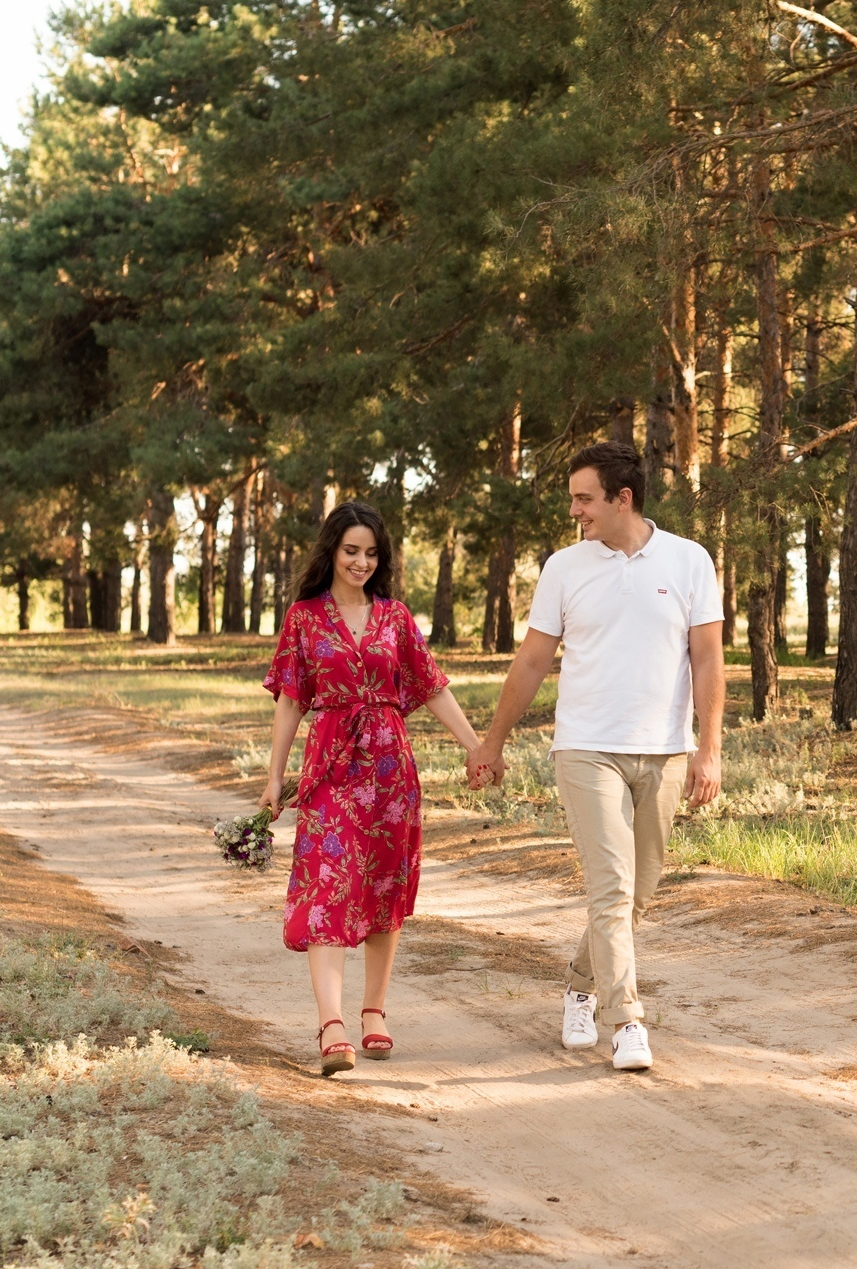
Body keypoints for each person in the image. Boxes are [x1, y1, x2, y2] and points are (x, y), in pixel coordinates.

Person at [465, 440, 723, 1072]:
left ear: (621, 499)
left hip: (663, 750)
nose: (575, 510)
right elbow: (531, 661)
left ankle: (580, 985)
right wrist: (491, 741)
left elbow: (709, 658)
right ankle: (625, 1020)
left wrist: (709, 749)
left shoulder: (689, 561)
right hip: (585, 749)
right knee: (610, 890)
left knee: (637, 896)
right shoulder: (565, 568)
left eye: (584, 498)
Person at [262, 501, 483, 1075]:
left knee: (384, 886)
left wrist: (475, 746)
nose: (360, 562)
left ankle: (374, 1010)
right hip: (331, 765)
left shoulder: (396, 617)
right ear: (331, 552)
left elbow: (432, 688)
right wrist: (274, 775)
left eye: (370, 553)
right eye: (350, 551)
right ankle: (331, 1024)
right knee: (328, 884)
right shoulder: (304, 618)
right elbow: (290, 700)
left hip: (389, 769)